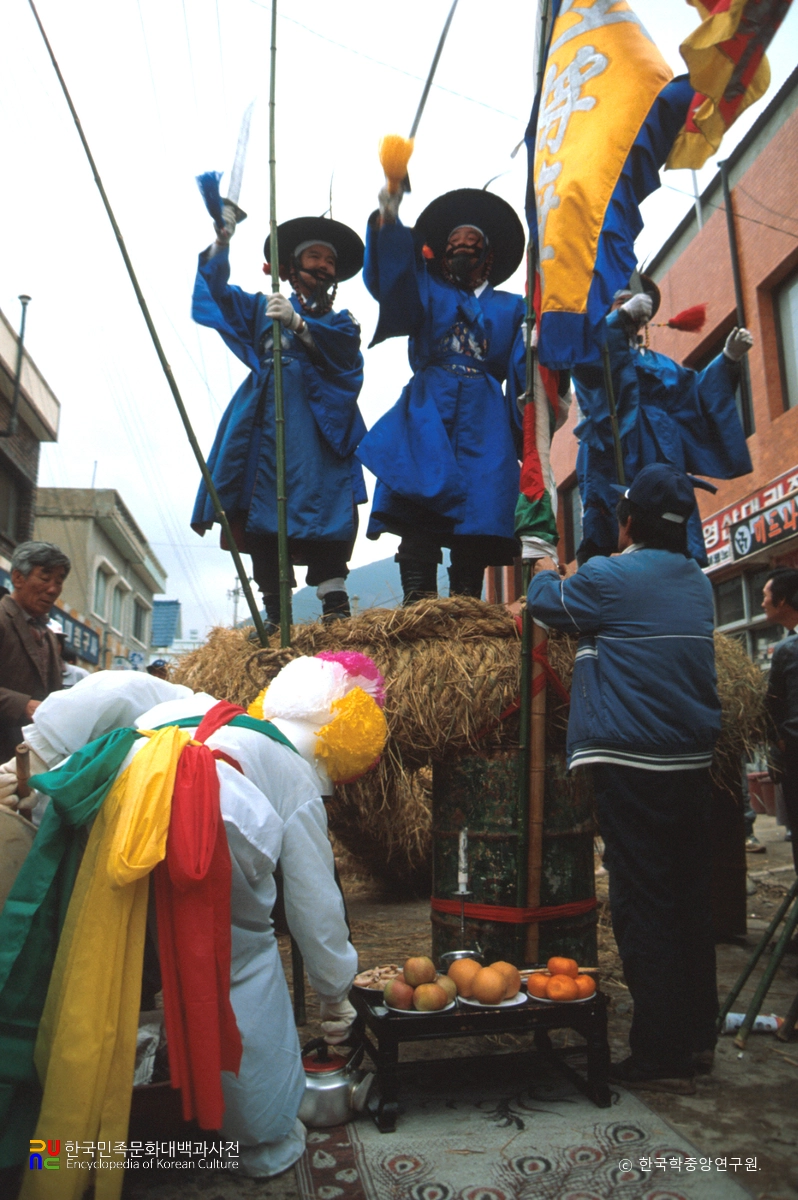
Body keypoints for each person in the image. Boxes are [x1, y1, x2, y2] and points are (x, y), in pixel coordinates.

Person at [0, 657, 385, 1179]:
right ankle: (262, 1145)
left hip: (114, 811)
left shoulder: (194, 706)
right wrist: (336, 995)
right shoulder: (293, 769)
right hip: (211, 822)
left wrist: (40, 752)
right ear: (338, 744)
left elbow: (118, 686)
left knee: (105, 972)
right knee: (241, 970)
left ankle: (70, 1142)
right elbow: (316, 907)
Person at [527, 463, 722, 1093]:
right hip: (690, 764)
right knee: (688, 900)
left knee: (642, 907)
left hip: (633, 765)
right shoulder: (697, 581)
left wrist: (539, 567)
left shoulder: (611, 578)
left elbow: (543, 604)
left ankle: (659, 1051)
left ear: (628, 520)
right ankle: (696, 1039)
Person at [191, 207, 368, 632]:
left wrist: (301, 326)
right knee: (260, 513)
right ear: (290, 268)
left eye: (330, 261)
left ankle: (336, 613)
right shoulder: (261, 309)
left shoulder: (340, 322)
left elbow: (346, 358)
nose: (325, 266)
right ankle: (275, 615)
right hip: (264, 426)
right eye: (315, 258)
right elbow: (214, 291)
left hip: (318, 432)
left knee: (327, 514)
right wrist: (222, 242)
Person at [356, 186, 527, 603]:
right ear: (442, 252)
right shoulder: (428, 290)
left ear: (489, 256)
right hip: (428, 404)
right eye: (454, 244)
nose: (462, 250)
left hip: (485, 413)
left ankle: (466, 604)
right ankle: (419, 603)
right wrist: (389, 219)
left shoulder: (514, 306)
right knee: (416, 500)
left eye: (473, 244)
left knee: (479, 506)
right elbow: (392, 279)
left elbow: (525, 370)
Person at [572, 275, 753, 565]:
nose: (630, 308)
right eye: (622, 303)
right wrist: (619, 322)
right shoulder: (596, 351)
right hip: (614, 451)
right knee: (612, 534)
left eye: (634, 304)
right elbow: (584, 367)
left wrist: (727, 360)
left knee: (668, 538)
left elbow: (697, 399)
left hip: (664, 454)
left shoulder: (661, 363)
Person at [0, 542, 70, 762]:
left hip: (26, 758)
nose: (53, 589)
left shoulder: (48, 635)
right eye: (45, 578)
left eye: (59, 581)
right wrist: (23, 705)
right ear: (18, 578)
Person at [762, 567, 798, 873]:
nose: (762, 603)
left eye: (766, 595)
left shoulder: (790, 650)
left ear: (783, 600)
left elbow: (780, 711)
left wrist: (781, 746)